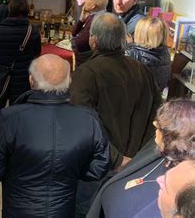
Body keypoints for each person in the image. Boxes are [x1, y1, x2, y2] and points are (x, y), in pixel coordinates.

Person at [0, 54, 110, 217]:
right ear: (69, 82)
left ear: (31, 81)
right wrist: (71, 170)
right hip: (63, 210)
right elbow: (100, 166)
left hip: (17, 211)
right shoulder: (89, 119)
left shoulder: (9, 118)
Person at [70, 12, 162, 215]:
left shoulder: (86, 73)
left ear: (93, 41)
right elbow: (157, 116)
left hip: (97, 165)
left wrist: (117, 159)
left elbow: (82, 124)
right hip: (133, 163)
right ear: (123, 39)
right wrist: (134, 156)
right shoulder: (142, 70)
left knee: (86, 211)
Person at [88, 98, 195, 218]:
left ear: (177, 140)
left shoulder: (180, 189)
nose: (154, 124)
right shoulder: (157, 151)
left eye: (163, 127)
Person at [0, 0, 41, 124]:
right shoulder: (32, 31)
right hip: (23, 75)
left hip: (2, 75)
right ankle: (16, 138)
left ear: (10, 8)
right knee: (18, 108)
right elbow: (37, 52)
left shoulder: (1, 29)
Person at [126, 16, 171, 91]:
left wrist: (128, 46)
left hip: (133, 99)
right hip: (155, 98)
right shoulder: (165, 53)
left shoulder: (132, 54)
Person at [72, 0, 108, 67]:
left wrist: (74, 41)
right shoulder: (92, 16)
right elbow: (74, 33)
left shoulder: (97, 21)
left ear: (93, 6)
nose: (85, 2)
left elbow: (80, 43)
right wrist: (81, 20)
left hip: (86, 63)